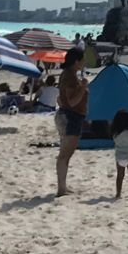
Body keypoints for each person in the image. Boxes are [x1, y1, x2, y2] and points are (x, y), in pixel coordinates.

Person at [55, 48, 88, 197]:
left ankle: (63, 186)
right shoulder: (69, 76)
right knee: (65, 154)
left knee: (66, 154)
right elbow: (72, 101)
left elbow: (61, 99)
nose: (84, 62)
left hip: (70, 116)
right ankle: (61, 188)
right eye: (83, 59)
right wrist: (83, 87)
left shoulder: (69, 75)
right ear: (76, 61)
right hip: (71, 116)